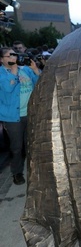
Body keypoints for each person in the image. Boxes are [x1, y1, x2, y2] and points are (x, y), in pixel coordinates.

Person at [0, 47, 41, 184]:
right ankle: (17, 173)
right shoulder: (2, 73)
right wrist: (13, 71)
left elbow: (40, 84)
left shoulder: (25, 70)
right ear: (1, 59)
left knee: (31, 145)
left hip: (30, 113)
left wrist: (35, 70)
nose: (13, 58)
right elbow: (8, 88)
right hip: (13, 117)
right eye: (9, 56)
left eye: (14, 55)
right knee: (17, 147)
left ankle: (34, 170)